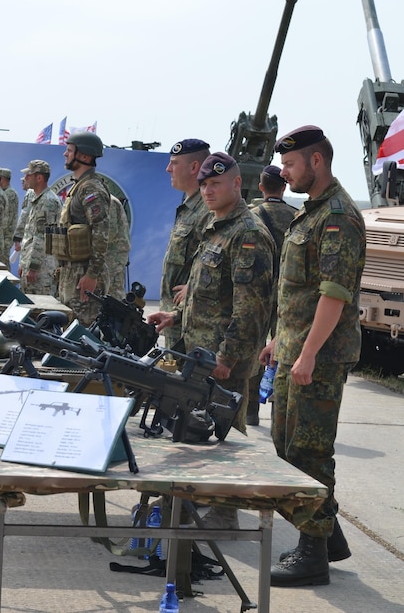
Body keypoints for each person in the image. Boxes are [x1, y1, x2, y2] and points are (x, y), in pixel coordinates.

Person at [259, 126, 366, 587]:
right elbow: (297, 292)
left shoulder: (338, 216)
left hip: (318, 358)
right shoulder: (311, 213)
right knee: (286, 448)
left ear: (316, 162)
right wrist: (280, 342)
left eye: (290, 165)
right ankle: (330, 536)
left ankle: (313, 555)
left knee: (309, 452)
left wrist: (305, 355)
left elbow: (333, 294)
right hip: (296, 349)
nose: (284, 173)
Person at [148, 152, 274, 528]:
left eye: (215, 184)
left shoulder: (248, 234)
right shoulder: (215, 228)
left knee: (226, 433)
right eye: (203, 185)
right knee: (196, 428)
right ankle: (197, 497)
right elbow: (206, 295)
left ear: (237, 184)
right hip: (198, 353)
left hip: (222, 360)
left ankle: (225, 511)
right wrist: (176, 315)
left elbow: (250, 309)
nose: (207, 191)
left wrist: (228, 357)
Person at [246, 165, 298, 425]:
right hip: (286, 293)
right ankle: (279, 409)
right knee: (283, 349)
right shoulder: (296, 215)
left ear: (261, 187)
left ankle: (250, 411)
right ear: (284, 186)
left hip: (259, 292)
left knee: (257, 348)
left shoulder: (252, 216)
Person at [159, 138, 211, 349]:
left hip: (191, 321)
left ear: (194, 167)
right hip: (175, 316)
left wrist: (195, 285)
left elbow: (219, 258)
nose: (168, 169)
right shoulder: (190, 206)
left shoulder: (207, 209)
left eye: (174, 163)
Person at [57, 131, 111, 326]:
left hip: (84, 274)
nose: (65, 154)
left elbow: (101, 233)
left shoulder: (91, 189)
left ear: (84, 156)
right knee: (68, 329)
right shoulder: (79, 187)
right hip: (73, 271)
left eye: (69, 150)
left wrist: (92, 274)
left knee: (81, 332)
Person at [18, 159, 61, 296]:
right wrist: (24, 264)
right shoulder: (37, 199)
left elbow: (42, 238)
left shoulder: (48, 201)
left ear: (40, 178)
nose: (25, 179)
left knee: (40, 308)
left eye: (28, 175)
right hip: (32, 266)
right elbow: (29, 236)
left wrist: (33, 267)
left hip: (42, 269)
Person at [106, 195, 131, 300]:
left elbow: (110, 232)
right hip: (109, 253)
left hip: (113, 254)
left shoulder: (109, 201)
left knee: (113, 293)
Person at [0, 167, 20, 264]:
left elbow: (6, 218)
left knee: (1, 264)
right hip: (1, 237)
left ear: (2, 179)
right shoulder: (5, 192)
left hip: (4, 237)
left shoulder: (10, 194)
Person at [12, 176, 34, 255]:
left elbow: (24, 215)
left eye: (23, 181)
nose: (22, 183)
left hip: (29, 236)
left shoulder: (30, 192)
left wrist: (17, 238)